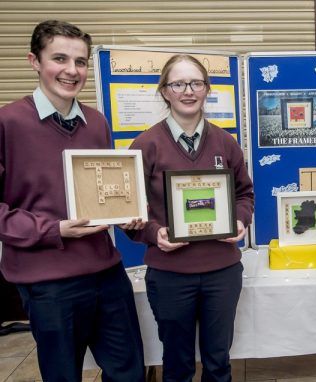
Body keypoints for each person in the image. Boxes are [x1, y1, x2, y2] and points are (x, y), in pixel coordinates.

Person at [0, 20, 145, 381]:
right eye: (59, 58)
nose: (72, 70)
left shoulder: (96, 122)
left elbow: (105, 190)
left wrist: (127, 214)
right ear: (34, 61)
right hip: (48, 282)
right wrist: (55, 229)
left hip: (107, 273)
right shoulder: (8, 123)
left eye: (80, 62)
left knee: (128, 372)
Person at [128, 54, 254, 382]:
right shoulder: (144, 145)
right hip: (170, 276)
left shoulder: (226, 143)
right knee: (178, 364)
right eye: (178, 83)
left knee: (218, 361)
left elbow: (245, 194)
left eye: (196, 83)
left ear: (207, 89)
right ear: (165, 91)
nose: (188, 90)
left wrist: (240, 221)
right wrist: (154, 233)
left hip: (222, 273)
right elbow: (128, 210)